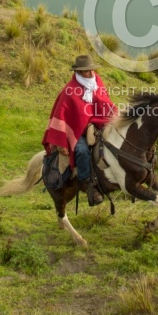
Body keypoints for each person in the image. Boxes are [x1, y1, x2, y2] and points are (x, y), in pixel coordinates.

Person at [42, 54, 116, 205]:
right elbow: (61, 115)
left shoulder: (97, 82)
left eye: (91, 70)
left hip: (98, 123)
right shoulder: (70, 90)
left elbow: (104, 102)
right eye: (85, 71)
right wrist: (62, 143)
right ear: (78, 72)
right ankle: (88, 184)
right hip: (76, 132)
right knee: (82, 151)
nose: (89, 73)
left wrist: (116, 116)